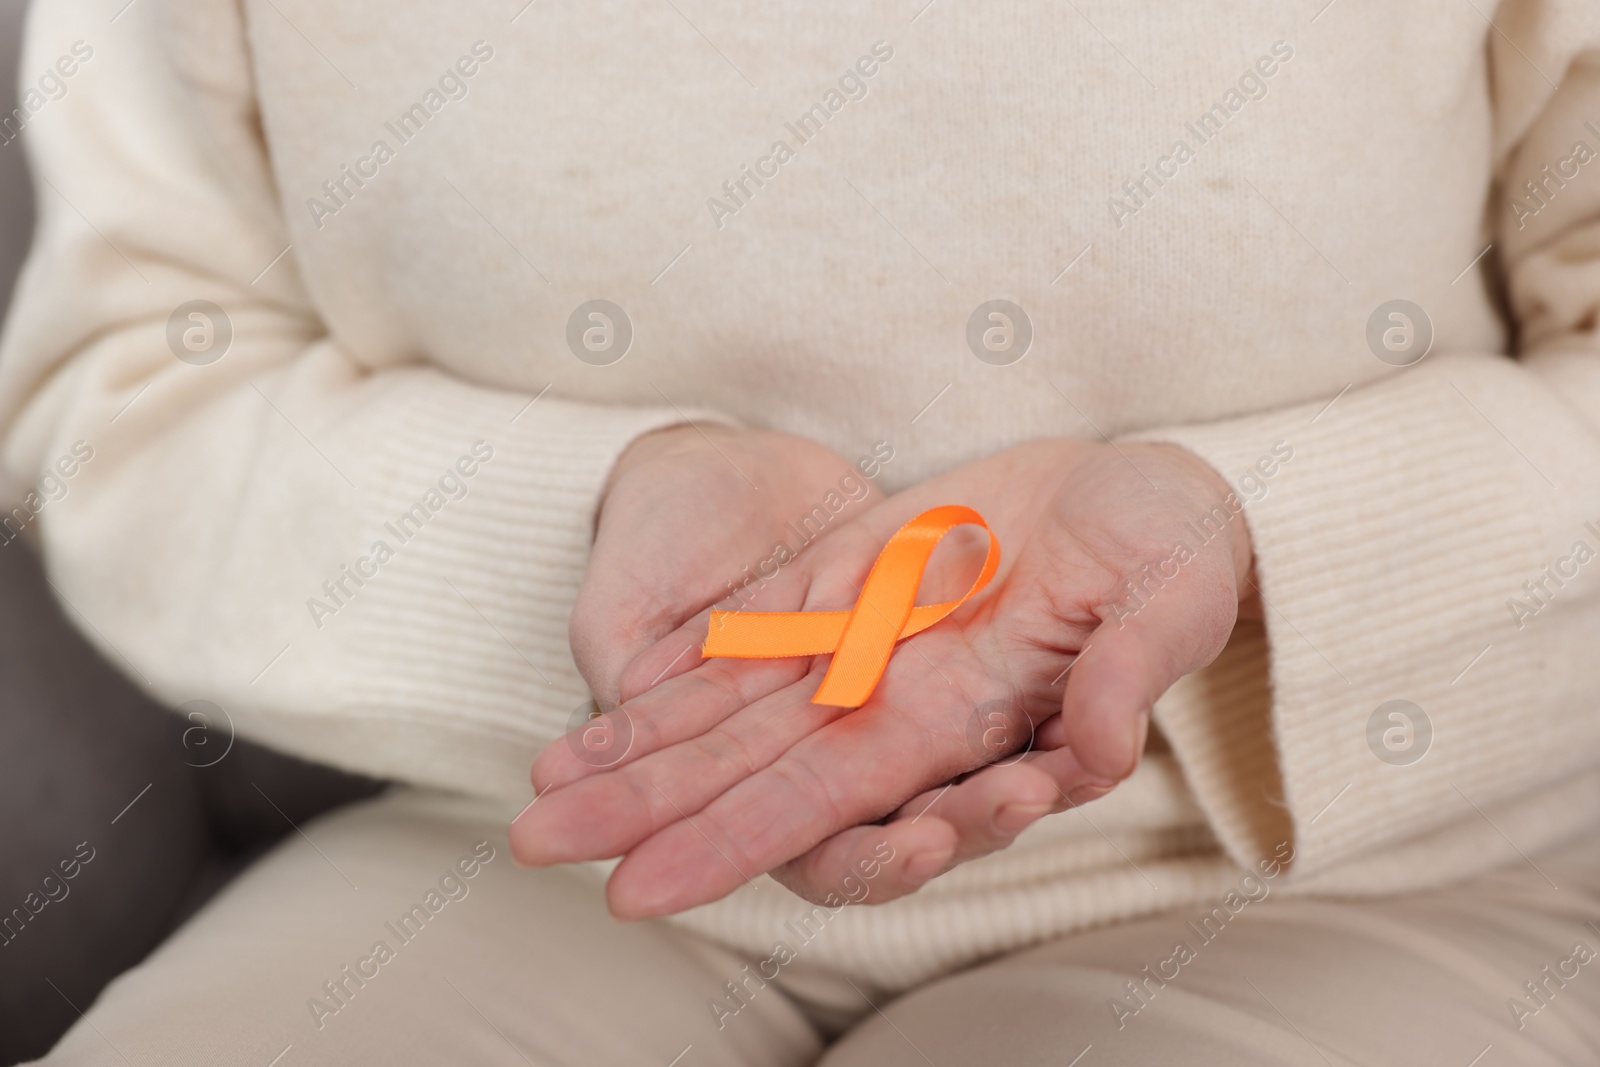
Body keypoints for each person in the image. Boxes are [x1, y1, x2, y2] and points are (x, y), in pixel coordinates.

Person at [3, 0, 1600, 1062]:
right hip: (528, 851)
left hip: (1373, 875)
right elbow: (128, 389)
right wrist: (594, 514)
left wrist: (1260, 539)